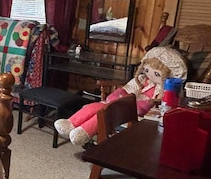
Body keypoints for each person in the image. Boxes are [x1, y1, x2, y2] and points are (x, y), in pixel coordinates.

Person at [54, 46, 188, 146]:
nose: (150, 75)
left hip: (136, 112)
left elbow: (160, 104)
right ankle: (70, 123)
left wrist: (142, 102)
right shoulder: (142, 80)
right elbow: (128, 89)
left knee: (103, 113)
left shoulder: (166, 89)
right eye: (147, 70)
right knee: (96, 106)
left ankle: (83, 133)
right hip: (122, 103)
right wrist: (120, 96)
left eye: (156, 74)